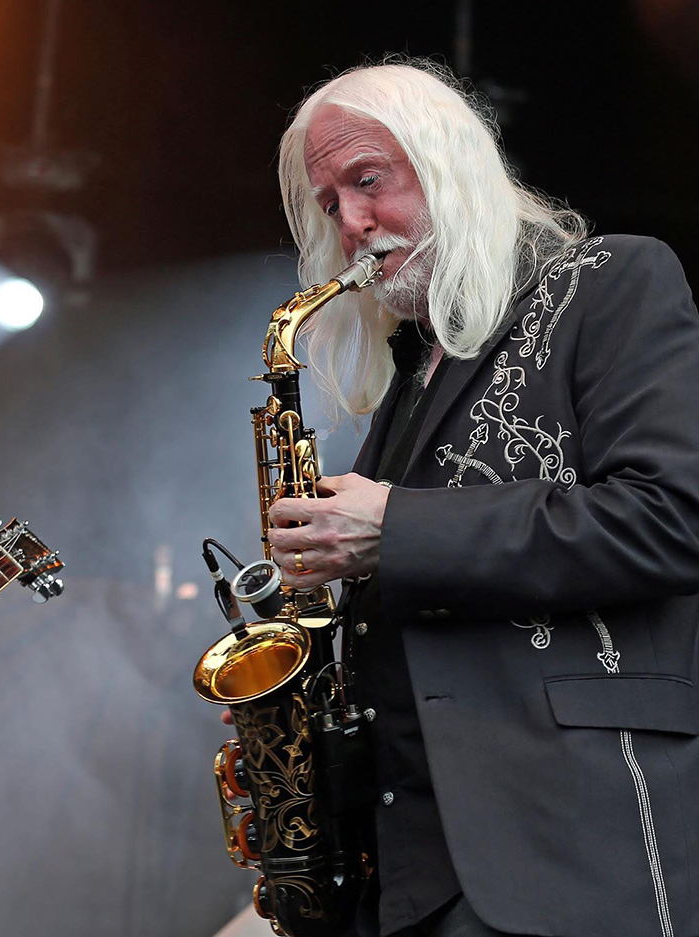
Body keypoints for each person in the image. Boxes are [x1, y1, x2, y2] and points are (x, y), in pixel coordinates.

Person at [262, 61, 699, 937]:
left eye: (369, 180)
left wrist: (395, 525)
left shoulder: (612, 279)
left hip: (572, 846)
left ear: (450, 163)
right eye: (328, 203)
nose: (352, 223)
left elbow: (671, 518)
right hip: (414, 866)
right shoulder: (418, 367)